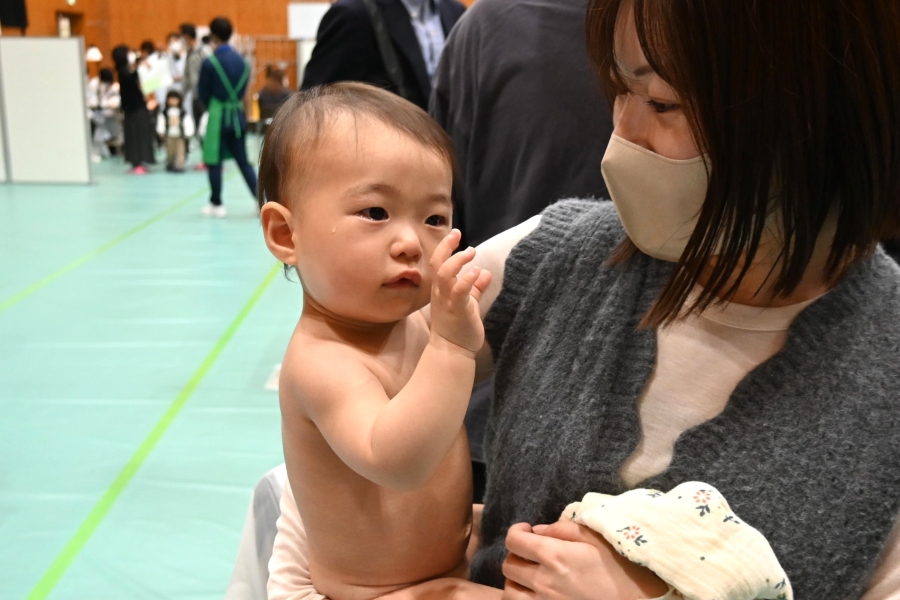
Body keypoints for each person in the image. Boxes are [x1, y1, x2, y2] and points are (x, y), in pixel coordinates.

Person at [267, 0, 900, 598]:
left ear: (815, 116)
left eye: (661, 100)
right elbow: (338, 460)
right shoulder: (557, 255)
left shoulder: (881, 371)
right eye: (620, 89)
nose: (621, 132)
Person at [257, 82, 499, 600]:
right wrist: (452, 349)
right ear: (286, 234)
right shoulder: (322, 362)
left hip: (448, 559)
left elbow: (482, 364)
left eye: (435, 218)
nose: (411, 242)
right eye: (375, 213)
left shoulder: (413, 321)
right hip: (377, 591)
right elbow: (398, 461)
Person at [429, 0, 615, 503]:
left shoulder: (482, 30)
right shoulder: (484, 31)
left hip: (498, 402)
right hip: (493, 400)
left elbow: (437, 222)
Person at [301, 0, 466, 111]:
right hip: (381, 154)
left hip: (446, 151)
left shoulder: (455, 12)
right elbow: (314, 102)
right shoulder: (353, 14)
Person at [198, 17, 258, 218]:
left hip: (217, 116)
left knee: (214, 160)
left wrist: (213, 107)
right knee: (243, 160)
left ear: (213, 35)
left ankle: (217, 204)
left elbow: (203, 93)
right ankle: (260, 202)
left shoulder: (210, 62)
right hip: (237, 116)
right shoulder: (243, 62)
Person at [112, 45, 155, 174]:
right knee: (136, 135)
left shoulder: (126, 70)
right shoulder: (124, 71)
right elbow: (132, 79)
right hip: (134, 108)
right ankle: (137, 161)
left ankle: (140, 161)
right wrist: (139, 66)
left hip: (136, 106)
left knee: (139, 134)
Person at [180, 23, 207, 156]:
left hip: (206, 96)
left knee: (205, 127)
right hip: (195, 96)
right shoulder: (189, 54)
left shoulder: (204, 51)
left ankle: (210, 157)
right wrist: (181, 95)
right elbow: (186, 77)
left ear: (188, 36)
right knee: (198, 126)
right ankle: (205, 156)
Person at [87, 67, 122, 160]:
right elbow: (91, 100)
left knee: (115, 126)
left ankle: (113, 145)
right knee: (98, 129)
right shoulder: (94, 84)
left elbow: (116, 100)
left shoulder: (113, 87)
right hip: (96, 113)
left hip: (108, 113)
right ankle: (96, 151)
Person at [156, 89, 194, 172]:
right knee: (170, 151)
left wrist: (188, 132)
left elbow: (187, 122)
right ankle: (170, 163)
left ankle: (180, 165)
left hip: (180, 135)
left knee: (181, 151)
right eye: (171, 99)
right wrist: (161, 131)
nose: (173, 101)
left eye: (175, 99)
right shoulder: (164, 113)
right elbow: (161, 122)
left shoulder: (182, 112)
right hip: (169, 135)